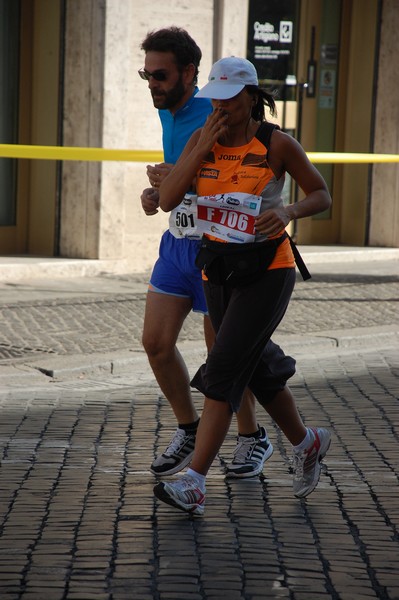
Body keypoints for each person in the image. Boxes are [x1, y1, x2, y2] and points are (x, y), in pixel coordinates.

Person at [153, 56, 332, 515]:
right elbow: (169, 199)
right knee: (254, 365)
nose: (222, 108)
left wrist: (288, 212)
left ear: (252, 97)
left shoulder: (277, 144)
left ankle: (194, 480)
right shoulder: (203, 139)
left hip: (269, 269)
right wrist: (198, 149)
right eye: (216, 99)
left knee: (226, 364)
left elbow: (321, 194)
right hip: (217, 268)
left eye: (231, 99)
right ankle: (306, 442)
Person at [139, 28, 273, 479]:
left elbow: (234, 176)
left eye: (160, 75)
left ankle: (252, 435)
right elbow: (179, 182)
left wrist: (178, 177)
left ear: (189, 73)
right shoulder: (169, 113)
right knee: (156, 344)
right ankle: (189, 428)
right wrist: (156, 193)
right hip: (178, 244)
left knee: (224, 352)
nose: (152, 84)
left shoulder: (215, 110)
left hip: (218, 248)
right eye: (147, 75)